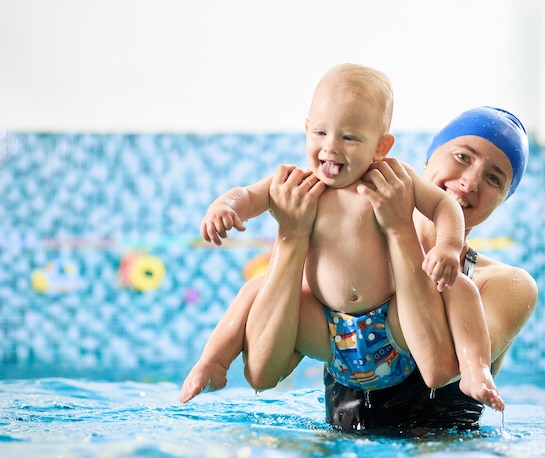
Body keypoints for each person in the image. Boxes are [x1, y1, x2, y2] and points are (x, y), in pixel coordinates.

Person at [180, 64, 505, 411]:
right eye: (320, 132)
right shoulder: (299, 184)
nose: (330, 147)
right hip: (327, 329)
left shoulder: (393, 179)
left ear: (381, 146)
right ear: (306, 129)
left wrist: (448, 247)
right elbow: (246, 196)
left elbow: (445, 206)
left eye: (349, 138)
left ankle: (475, 370)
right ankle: (212, 363)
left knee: (459, 287)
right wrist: (224, 207)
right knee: (254, 290)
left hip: (394, 326)